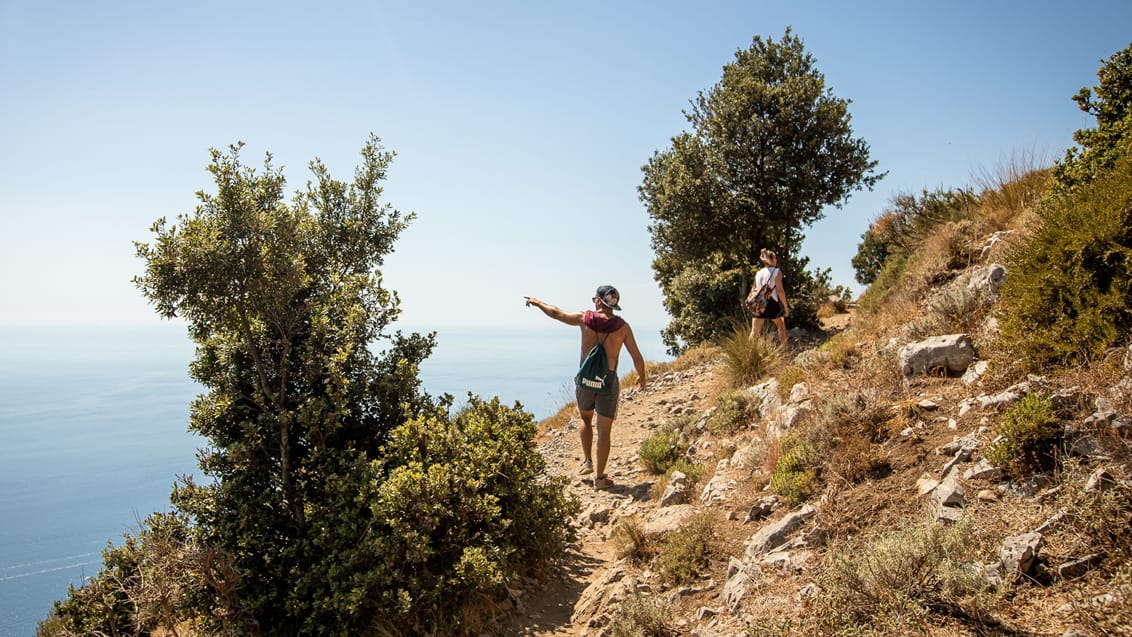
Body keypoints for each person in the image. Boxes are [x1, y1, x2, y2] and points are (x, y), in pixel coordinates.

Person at [524, 285, 647, 489]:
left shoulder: (585, 319)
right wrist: (641, 377)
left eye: (594, 299)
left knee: (585, 418)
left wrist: (538, 303)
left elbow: (557, 313)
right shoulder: (622, 327)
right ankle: (600, 478)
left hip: (585, 380)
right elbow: (637, 357)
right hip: (607, 381)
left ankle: (588, 461)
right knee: (604, 429)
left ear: (599, 301)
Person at [750, 248, 790, 348]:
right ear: (772, 259)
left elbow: (755, 289)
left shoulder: (758, 273)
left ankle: (748, 355)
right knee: (781, 327)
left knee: (754, 331)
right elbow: (780, 291)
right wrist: (785, 307)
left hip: (759, 302)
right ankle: (785, 353)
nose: (776, 260)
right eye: (775, 258)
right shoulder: (777, 272)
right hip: (772, 302)